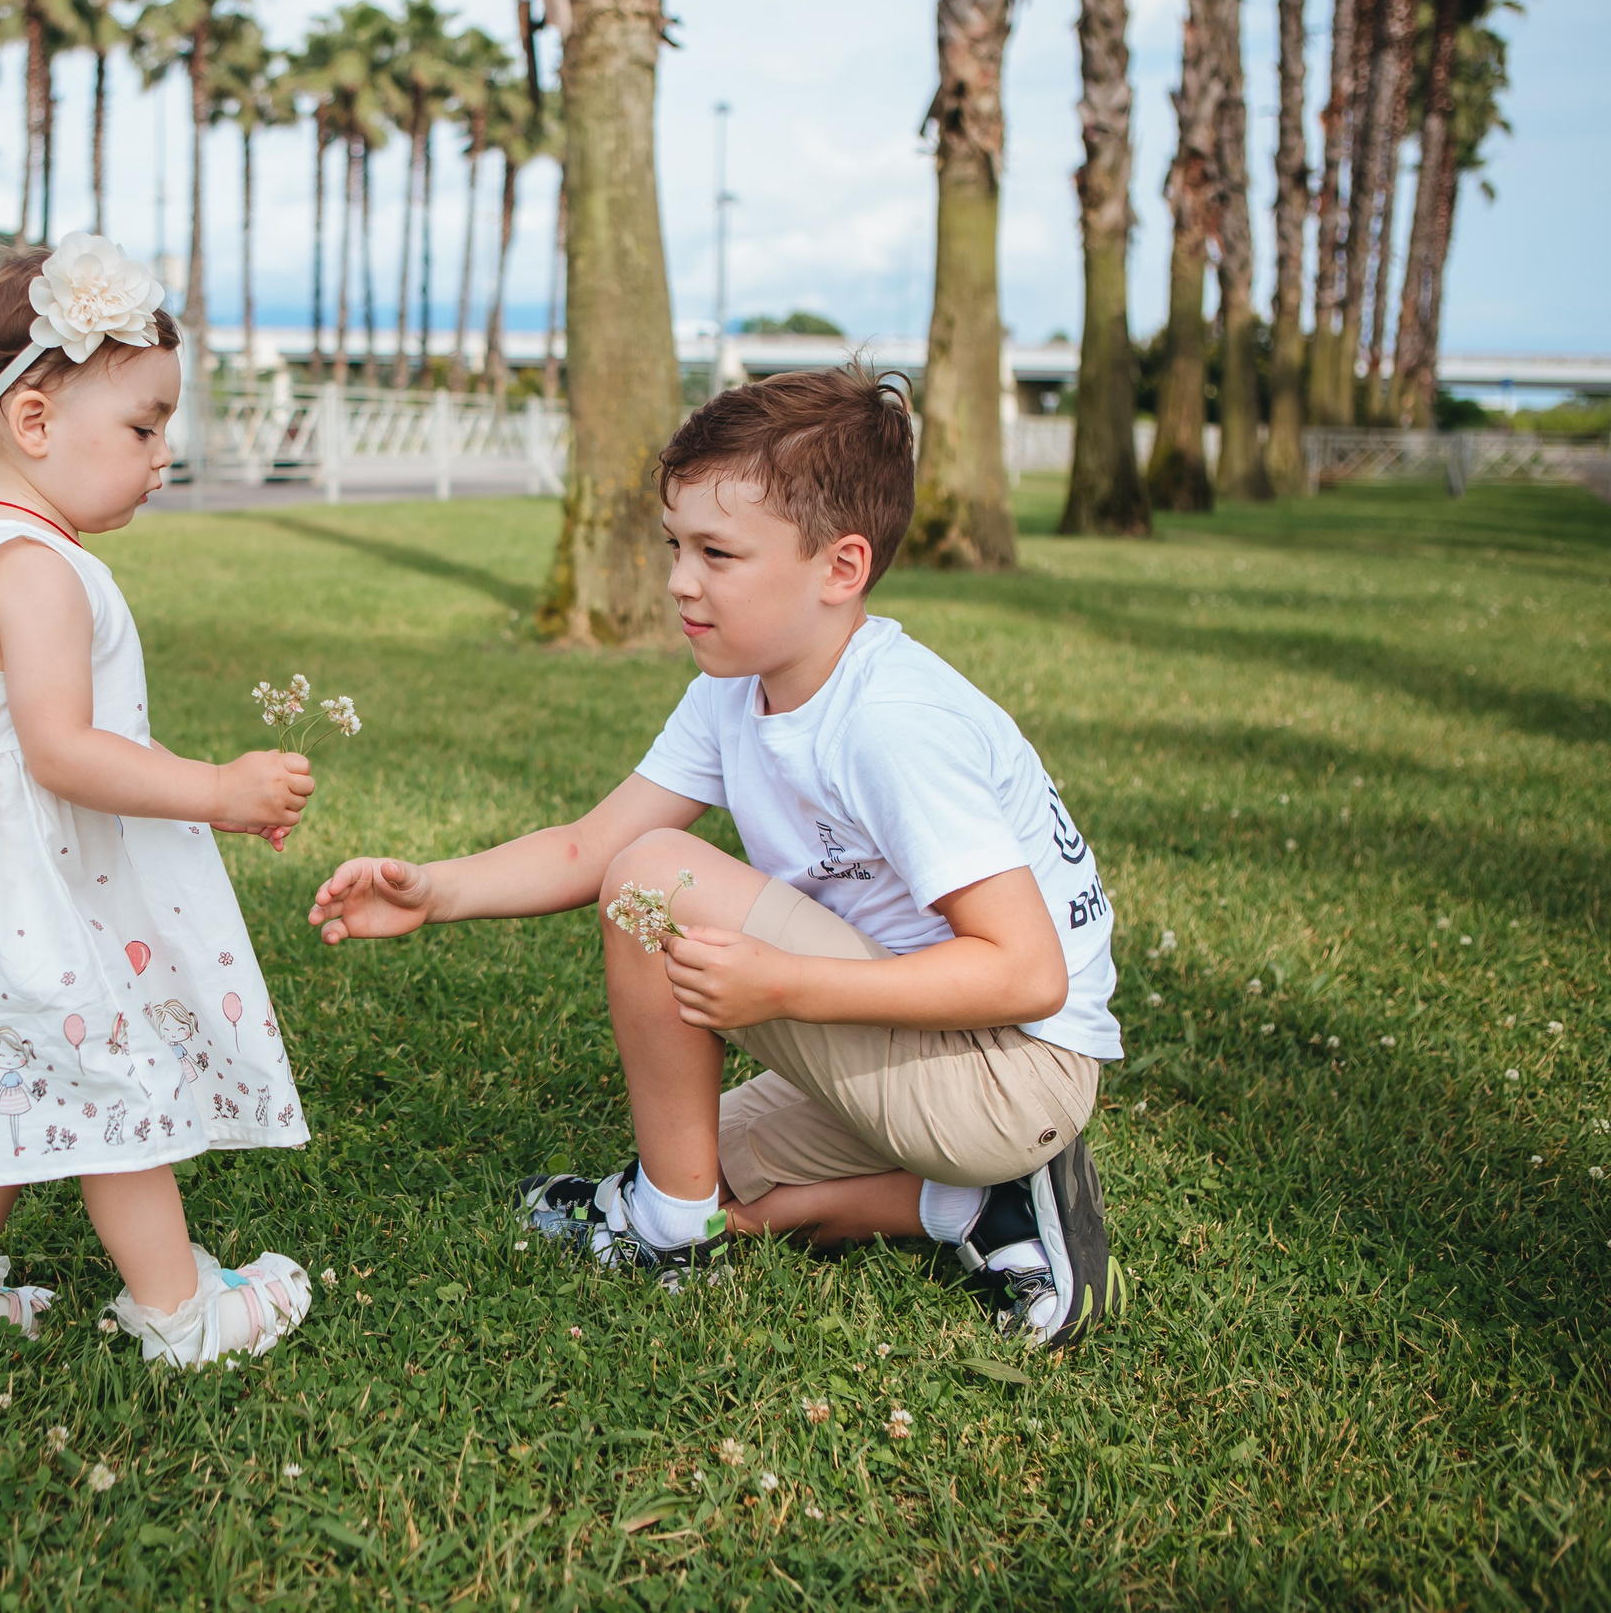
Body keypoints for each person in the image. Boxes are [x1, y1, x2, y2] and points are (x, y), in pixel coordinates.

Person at [308, 364, 1127, 1346]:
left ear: (840, 567)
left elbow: (1026, 973)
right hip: (939, 1057)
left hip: (1012, 1068)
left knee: (661, 880)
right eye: (674, 545)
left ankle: (670, 1236)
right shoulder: (740, 684)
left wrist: (784, 985)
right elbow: (584, 845)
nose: (678, 581)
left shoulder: (891, 723)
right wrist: (435, 892)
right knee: (706, 1154)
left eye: (717, 553)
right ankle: (970, 1207)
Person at [0, 234, 312, 1367]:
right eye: (143, 427)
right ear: (35, 424)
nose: (162, 455)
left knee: (9, 1069)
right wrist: (217, 791)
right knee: (115, 1075)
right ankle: (181, 1309)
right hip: (35, 886)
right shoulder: (37, 569)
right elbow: (59, 750)